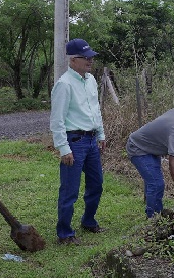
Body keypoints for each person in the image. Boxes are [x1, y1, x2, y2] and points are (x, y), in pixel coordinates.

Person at [50, 38, 106, 245]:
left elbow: (95, 109)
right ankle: (64, 233)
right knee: (69, 189)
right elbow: (57, 120)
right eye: (86, 57)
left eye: (91, 57)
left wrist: (100, 134)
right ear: (73, 60)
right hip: (74, 141)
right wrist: (64, 148)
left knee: (96, 184)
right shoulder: (64, 84)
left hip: (91, 141)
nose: (90, 60)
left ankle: (88, 221)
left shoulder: (90, 79)